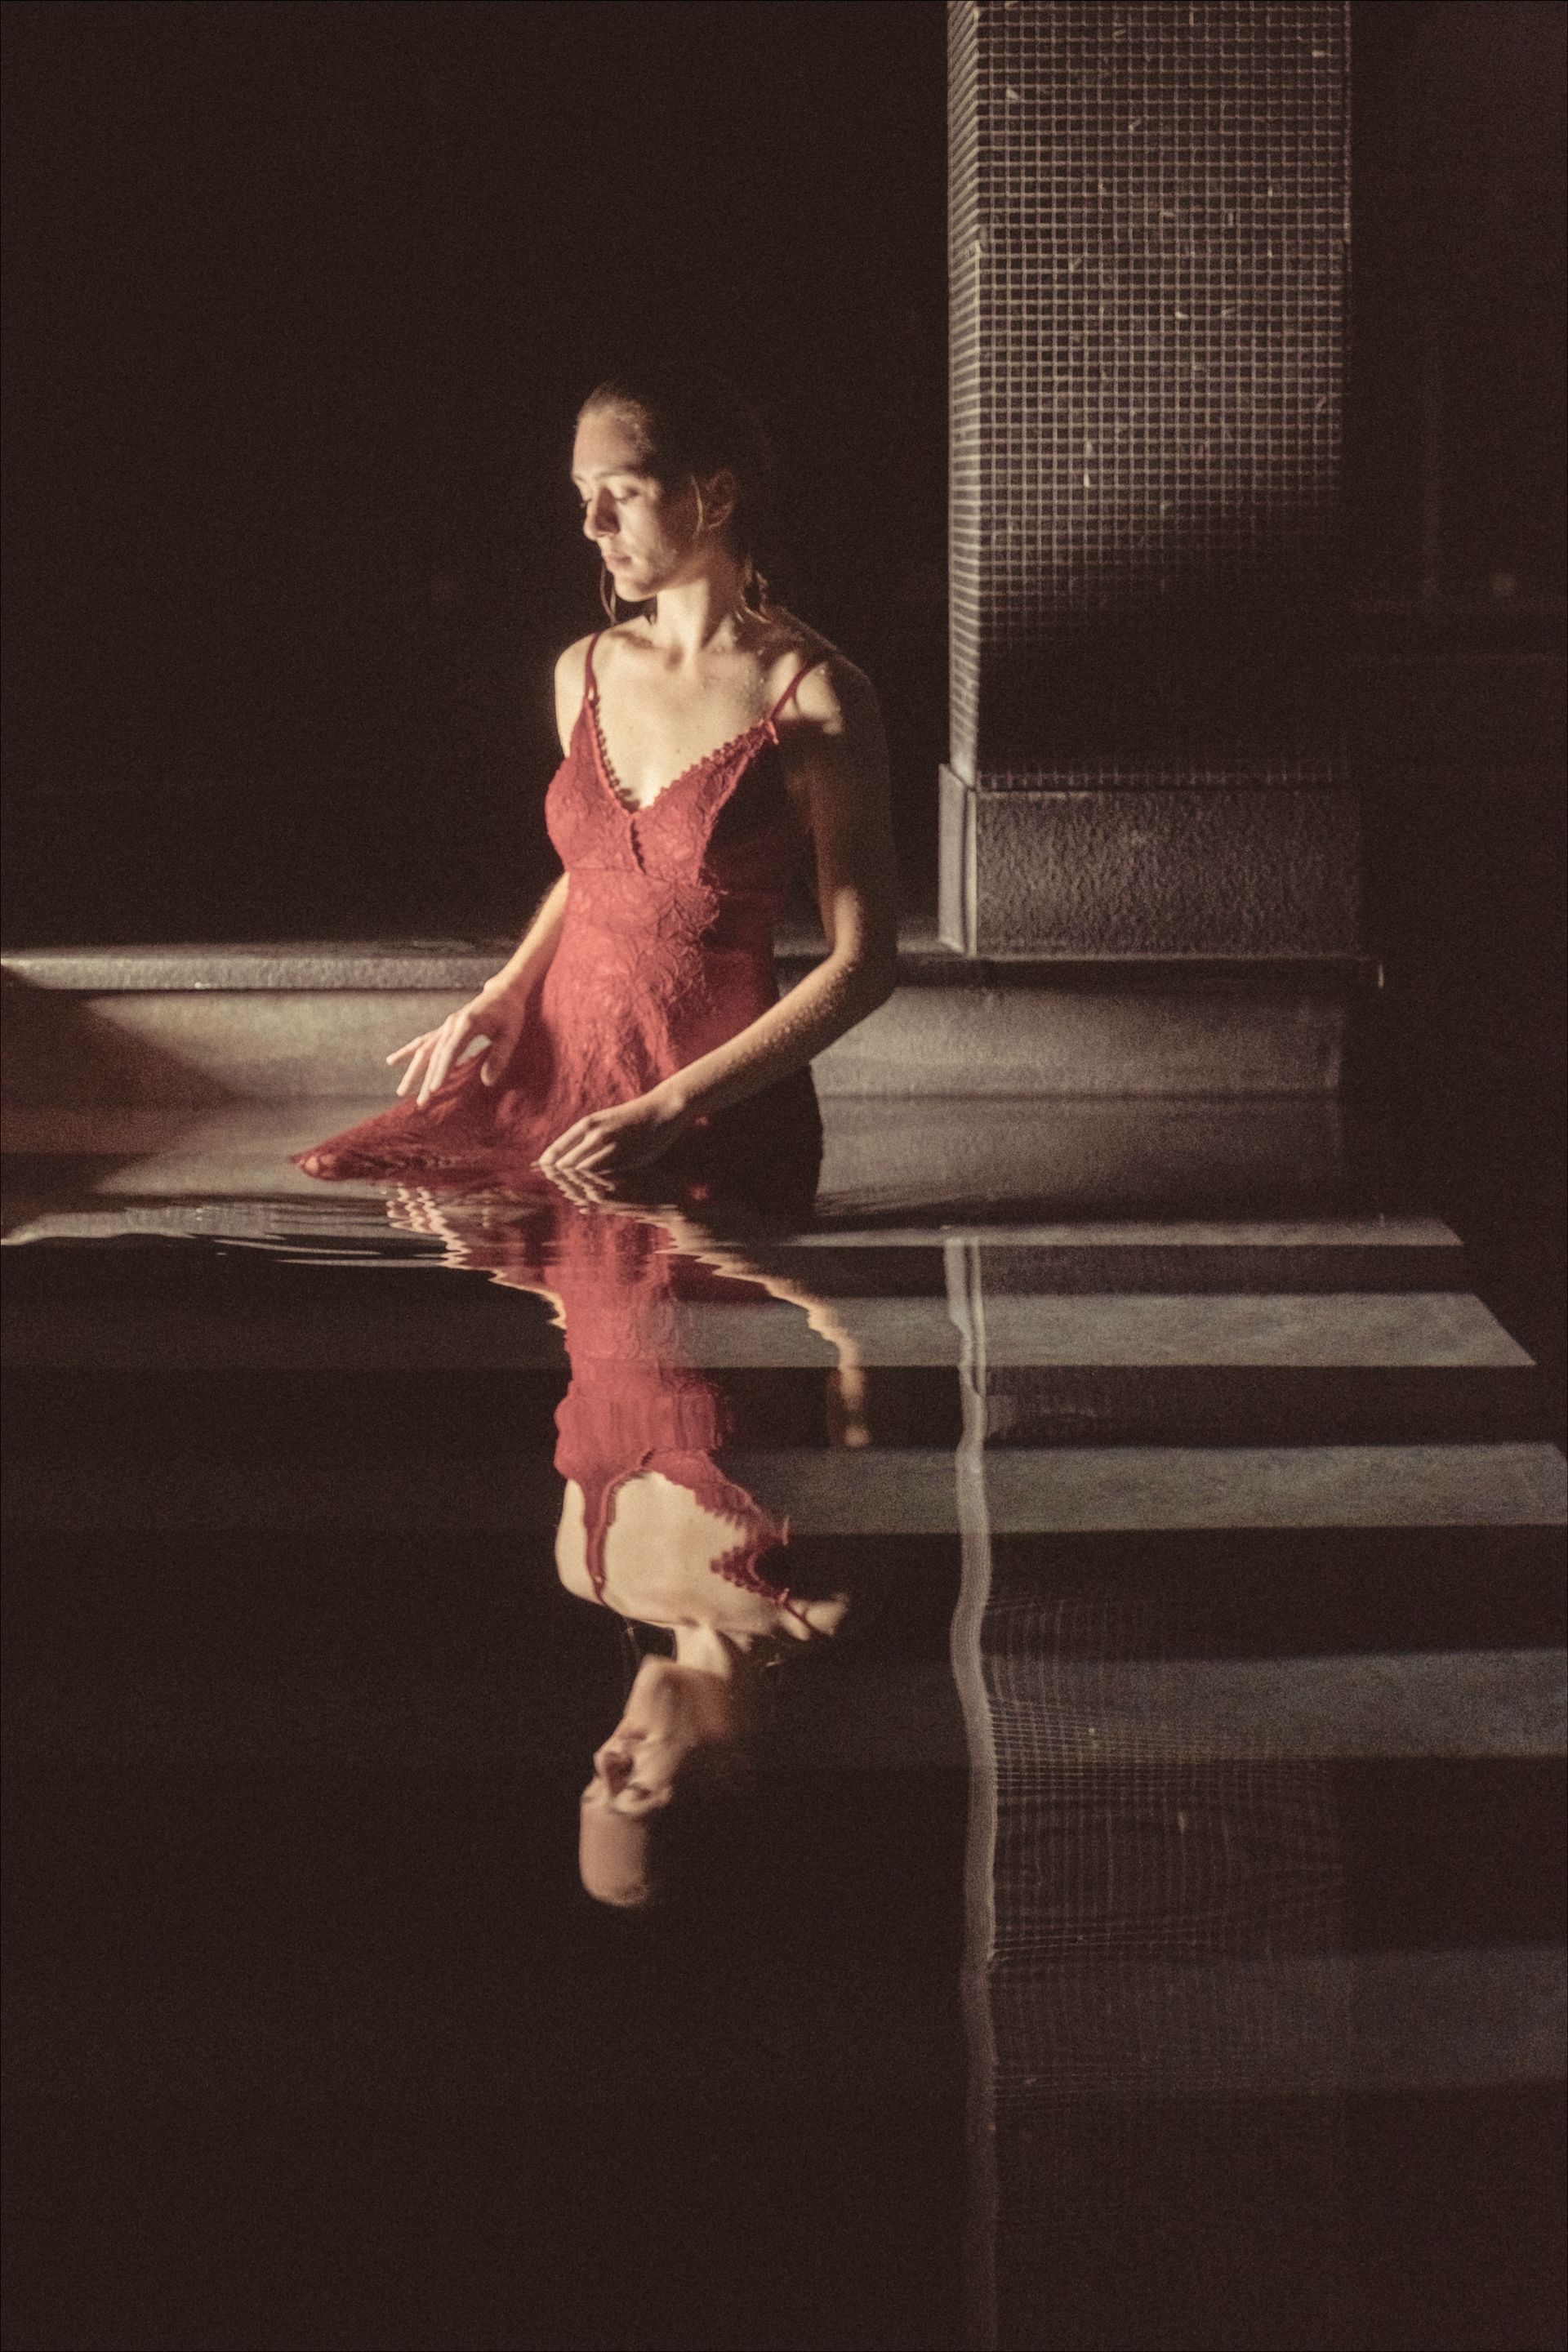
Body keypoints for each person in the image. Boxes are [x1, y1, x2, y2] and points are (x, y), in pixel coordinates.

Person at [293, 363, 898, 1209]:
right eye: (583, 492)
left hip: (698, 1109)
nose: (592, 523)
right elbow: (600, 872)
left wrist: (670, 1105)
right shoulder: (586, 669)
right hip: (551, 1076)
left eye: (622, 491)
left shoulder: (817, 694)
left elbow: (863, 968)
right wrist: (505, 994)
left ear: (715, 497)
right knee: (340, 1186)